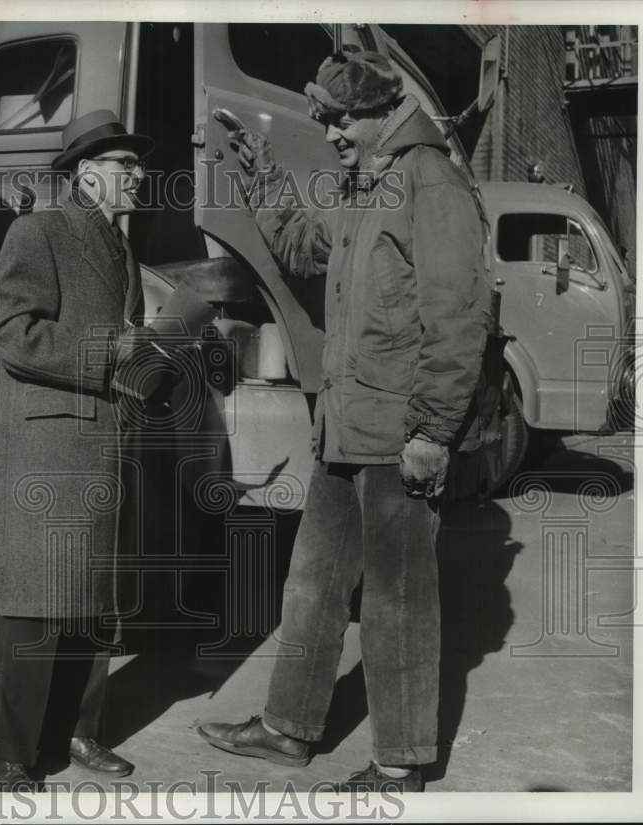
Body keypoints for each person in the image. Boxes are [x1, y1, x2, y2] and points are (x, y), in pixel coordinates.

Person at [197, 51, 490, 792]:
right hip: (345, 427)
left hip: (397, 435)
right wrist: (260, 169)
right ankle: (287, 727)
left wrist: (432, 431)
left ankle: (400, 760)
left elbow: (459, 318)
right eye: (323, 119)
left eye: (338, 120)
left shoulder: (432, 182)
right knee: (314, 582)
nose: (329, 134)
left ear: (380, 113)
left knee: (397, 600)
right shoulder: (366, 186)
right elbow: (300, 244)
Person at [0, 109, 157, 790]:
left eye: (138, 165)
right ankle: (7, 753)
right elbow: (9, 330)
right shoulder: (38, 231)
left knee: (92, 597)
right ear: (86, 176)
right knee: (35, 598)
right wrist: (110, 351)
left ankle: (78, 731)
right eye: (124, 165)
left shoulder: (120, 248)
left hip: (103, 439)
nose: (138, 175)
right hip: (50, 443)